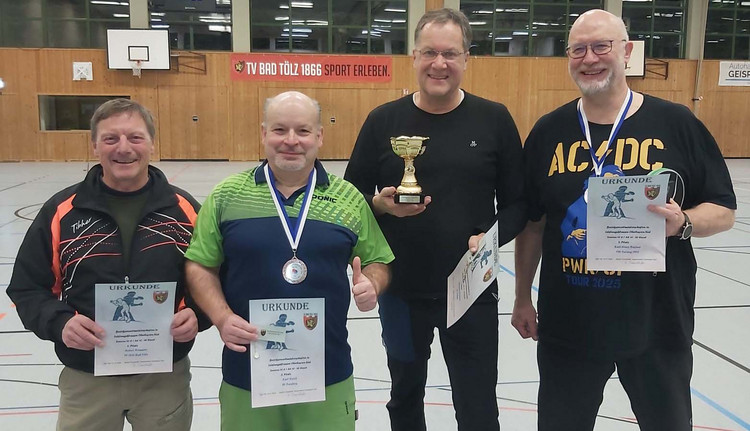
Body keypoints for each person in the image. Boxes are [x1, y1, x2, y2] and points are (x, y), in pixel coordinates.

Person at [512, 9, 736, 431]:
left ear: (628, 51)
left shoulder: (677, 123)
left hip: (657, 320)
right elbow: (534, 223)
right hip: (570, 324)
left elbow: (723, 209)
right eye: (578, 49)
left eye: (602, 46)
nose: (589, 58)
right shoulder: (549, 131)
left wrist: (683, 222)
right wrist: (522, 296)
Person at [344, 8, 526, 431]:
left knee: (478, 404)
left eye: (450, 53)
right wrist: (380, 206)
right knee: (405, 397)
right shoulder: (383, 121)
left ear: (466, 58)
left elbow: (518, 203)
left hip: (471, 290)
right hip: (401, 292)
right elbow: (350, 197)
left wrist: (490, 237)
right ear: (413, 56)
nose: (438, 64)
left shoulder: (494, 119)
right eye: (429, 52)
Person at [184, 91, 394, 431]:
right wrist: (221, 317)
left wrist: (373, 284)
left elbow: (378, 260)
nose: (291, 141)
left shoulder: (348, 199)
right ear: (264, 133)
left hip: (327, 372)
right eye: (280, 130)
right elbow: (200, 264)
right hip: (246, 372)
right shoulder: (227, 196)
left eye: (303, 131)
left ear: (319, 136)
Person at [7, 98, 205, 430]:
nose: (123, 148)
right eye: (111, 138)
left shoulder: (185, 210)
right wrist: (60, 323)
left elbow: (214, 279)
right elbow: (27, 288)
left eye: (135, 137)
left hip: (163, 379)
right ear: (95, 145)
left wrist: (198, 314)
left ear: (152, 144)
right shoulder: (61, 211)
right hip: (87, 380)